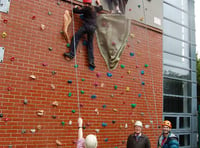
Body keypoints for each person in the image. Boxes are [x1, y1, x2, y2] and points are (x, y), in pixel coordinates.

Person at [63, 0, 103, 69]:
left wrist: (75, 6)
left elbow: (75, 11)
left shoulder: (86, 8)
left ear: (85, 3)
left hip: (87, 26)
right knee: (90, 44)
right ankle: (91, 61)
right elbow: (101, 8)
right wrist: (99, 2)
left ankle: (71, 54)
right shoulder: (94, 8)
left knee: (76, 37)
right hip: (93, 28)